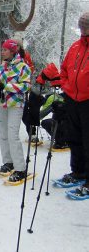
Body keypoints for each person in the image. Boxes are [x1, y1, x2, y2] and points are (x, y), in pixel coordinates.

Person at [0, 39, 31, 182]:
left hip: (16, 104)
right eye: (2, 49)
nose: (2, 52)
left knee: (13, 134)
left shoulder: (23, 67)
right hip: (3, 103)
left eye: (5, 50)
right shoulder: (2, 66)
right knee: (3, 134)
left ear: (13, 51)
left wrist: (6, 87)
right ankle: (8, 162)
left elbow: (25, 86)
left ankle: (21, 168)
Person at [58, 12, 89, 196]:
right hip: (73, 99)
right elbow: (64, 70)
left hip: (87, 102)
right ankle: (77, 172)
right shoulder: (75, 46)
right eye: (82, 26)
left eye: (86, 26)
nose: (83, 29)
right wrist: (66, 87)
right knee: (74, 137)